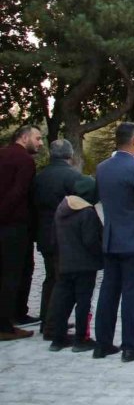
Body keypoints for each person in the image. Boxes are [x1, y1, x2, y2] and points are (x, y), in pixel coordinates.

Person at [93, 122, 134, 361]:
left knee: (108, 291)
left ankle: (102, 343)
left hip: (111, 237)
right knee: (131, 293)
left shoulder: (102, 168)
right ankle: (130, 345)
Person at [31, 138, 96, 338]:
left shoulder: (39, 177)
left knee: (51, 278)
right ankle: (53, 326)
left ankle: (48, 320)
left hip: (44, 233)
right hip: (67, 237)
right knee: (64, 284)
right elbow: (91, 194)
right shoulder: (72, 176)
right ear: (70, 155)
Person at [47, 181, 102, 353]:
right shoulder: (87, 213)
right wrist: (102, 257)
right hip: (84, 264)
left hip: (64, 262)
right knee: (83, 302)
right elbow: (91, 241)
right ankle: (80, 339)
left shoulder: (62, 209)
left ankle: (57, 338)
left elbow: (53, 238)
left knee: (63, 301)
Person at [0, 125, 43, 341]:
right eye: (37, 138)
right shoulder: (24, 160)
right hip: (14, 225)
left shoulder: (3, 154)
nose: (40, 143)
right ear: (24, 137)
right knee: (12, 274)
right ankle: (6, 324)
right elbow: (19, 192)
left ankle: (12, 316)